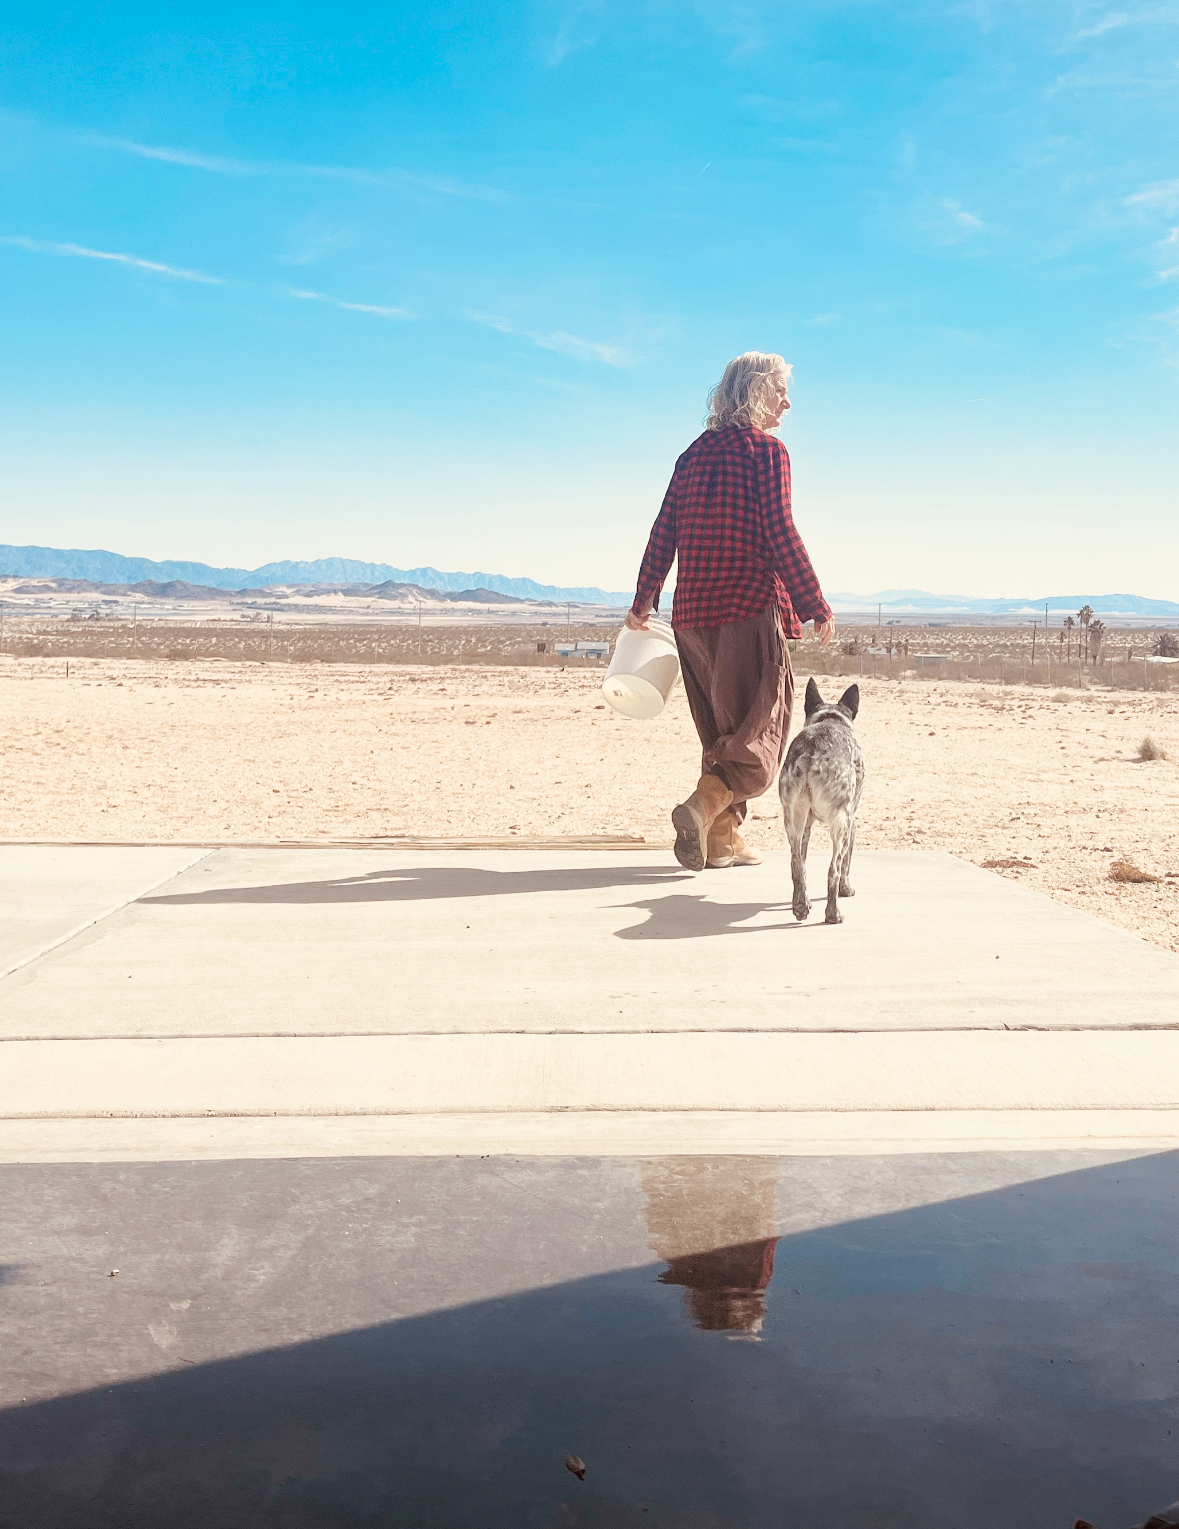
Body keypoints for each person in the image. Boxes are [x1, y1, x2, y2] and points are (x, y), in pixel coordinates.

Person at [627, 351, 834, 871]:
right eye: (779, 389)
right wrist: (812, 601)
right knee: (762, 735)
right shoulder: (767, 453)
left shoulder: (692, 455)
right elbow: (779, 530)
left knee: (724, 733)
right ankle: (700, 807)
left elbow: (663, 530)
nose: (788, 401)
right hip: (746, 608)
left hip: (693, 616)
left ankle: (722, 840)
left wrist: (645, 597)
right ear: (755, 391)